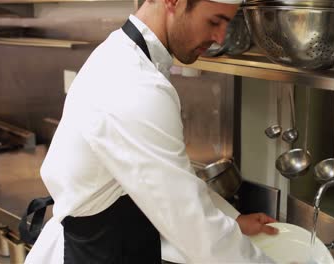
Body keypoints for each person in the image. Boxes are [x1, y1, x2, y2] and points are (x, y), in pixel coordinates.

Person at [24, 0, 278, 263]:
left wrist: (233, 220)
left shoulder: (131, 57)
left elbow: (171, 175)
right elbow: (191, 224)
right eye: (214, 22)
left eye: (227, 23)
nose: (220, 37)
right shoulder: (132, 83)